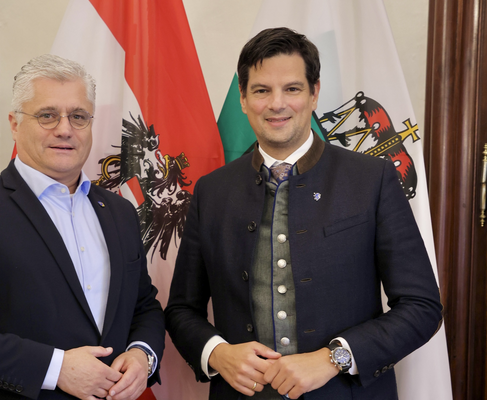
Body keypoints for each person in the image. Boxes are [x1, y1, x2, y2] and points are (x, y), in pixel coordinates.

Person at [164, 27, 442, 400]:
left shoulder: (371, 179)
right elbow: (182, 309)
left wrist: (334, 358)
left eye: (292, 89)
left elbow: (422, 307)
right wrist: (217, 353)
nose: (277, 104)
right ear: (243, 99)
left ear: (314, 94)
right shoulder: (211, 191)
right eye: (261, 91)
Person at [0, 54, 165, 400]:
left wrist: (142, 355)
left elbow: (143, 305)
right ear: (15, 124)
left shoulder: (119, 212)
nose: (65, 129)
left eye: (78, 116)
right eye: (47, 115)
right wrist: (55, 368)